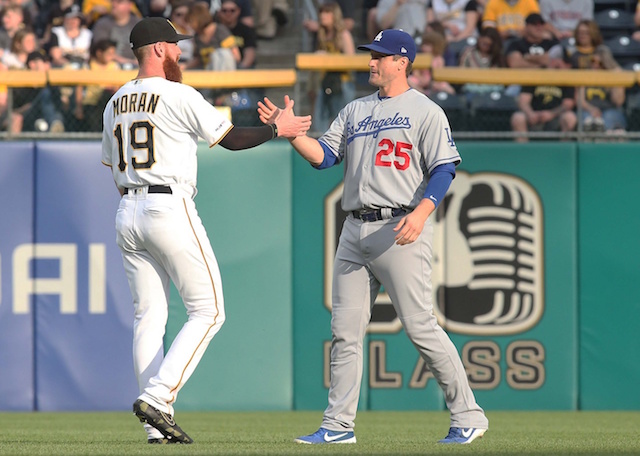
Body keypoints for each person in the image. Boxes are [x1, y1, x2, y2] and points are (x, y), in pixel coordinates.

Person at [258, 28, 489, 446]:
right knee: (345, 331)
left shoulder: (426, 110)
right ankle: (337, 426)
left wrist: (423, 212)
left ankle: (468, 415)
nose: (371, 62)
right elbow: (324, 158)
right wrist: (291, 134)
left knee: (420, 327)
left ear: (402, 62)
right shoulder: (355, 110)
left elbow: (444, 168)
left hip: (400, 226)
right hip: (354, 229)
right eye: (371, 55)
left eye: (380, 56)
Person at [101, 17, 311, 444]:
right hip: (167, 203)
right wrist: (278, 129)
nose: (180, 52)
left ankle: (153, 426)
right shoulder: (178, 94)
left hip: (127, 207)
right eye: (175, 46)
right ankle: (158, 399)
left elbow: (112, 167)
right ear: (158, 49)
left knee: (149, 317)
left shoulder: (115, 100)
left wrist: (134, 200)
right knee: (209, 310)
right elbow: (231, 140)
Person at [304, 1, 356, 133]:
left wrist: (328, 56)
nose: (323, 16)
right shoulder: (321, 35)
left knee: (341, 121)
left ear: (335, 15)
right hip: (324, 81)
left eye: (327, 12)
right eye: (321, 12)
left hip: (342, 83)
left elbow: (352, 60)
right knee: (320, 122)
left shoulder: (343, 34)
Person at [91, 0, 141, 68]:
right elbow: (103, 52)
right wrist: (128, 62)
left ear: (130, 5)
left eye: (119, 2)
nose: (114, 4)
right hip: (109, 69)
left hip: (137, 68)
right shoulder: (101, 24)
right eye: (112, 1)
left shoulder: (139, 24)